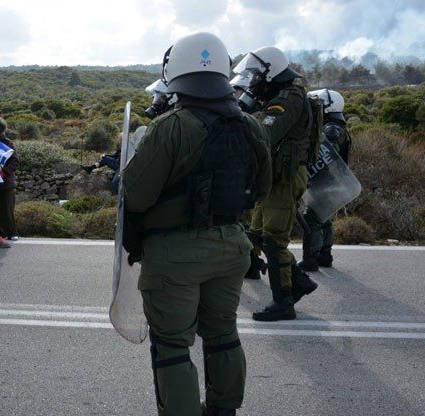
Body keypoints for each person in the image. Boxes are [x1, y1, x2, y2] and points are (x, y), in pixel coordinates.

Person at [122, 32, 272, 416]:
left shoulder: (171, 126)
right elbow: (262, 188)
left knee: (172, 345)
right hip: (232, 246)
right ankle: (224, 410)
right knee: (223, 335)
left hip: (176, 254)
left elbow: (135, 197)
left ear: (176, 73)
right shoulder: (251, 126)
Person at [231, 46, 318, 321]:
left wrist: (240, 117)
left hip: (285, 177)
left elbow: (265, 133)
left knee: (273, 240)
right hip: (274, 176)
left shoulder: (290, 97)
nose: (253, 79)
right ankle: (300, 282)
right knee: (256, 232)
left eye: (257, 74)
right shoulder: (277, 94)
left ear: (272, 72)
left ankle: (284, 303)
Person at [299, 88, 352, 271]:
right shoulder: (338, 126)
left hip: (326, 182)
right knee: (325, 218)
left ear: (327, 107)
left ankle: (310, 259)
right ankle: (325, 256)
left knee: (310, 219)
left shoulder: (331, 129)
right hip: (335, 182)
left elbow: (326, 156)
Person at [0, 116, 19, 241]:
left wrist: (4, 172)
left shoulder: (7, 143)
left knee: (7, 209)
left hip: (6, 182)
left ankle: (11, 233)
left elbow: (14, 160)